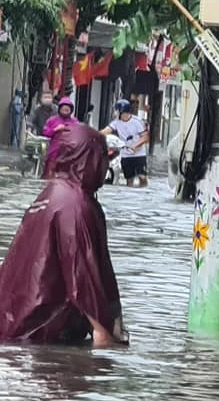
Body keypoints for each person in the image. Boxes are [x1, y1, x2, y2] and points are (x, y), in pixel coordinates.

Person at [0, 125, 127, 347]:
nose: (106, 166)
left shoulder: (52, 195)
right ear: (90, 159)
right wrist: (102, 332)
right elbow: (82, 271)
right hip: (39, 334)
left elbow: (100, 269)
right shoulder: (75, 206)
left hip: (17, 328)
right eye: (102, 157)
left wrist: (114, 319)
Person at [101, 99, 149, 187]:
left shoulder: (137, 122)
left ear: (121, 111)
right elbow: (106, 131)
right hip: (125, 155)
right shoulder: (116, 123)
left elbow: (145, 137)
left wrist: (135, 145)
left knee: (142, 177)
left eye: (116, 110)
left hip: (139, 154)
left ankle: (143, 192)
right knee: (129, 179)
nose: (115, 113)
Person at [41, 96, 80, 178]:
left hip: (68, 155)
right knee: (49, 177)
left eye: (67, 110)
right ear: (59, 109)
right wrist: (56, 130)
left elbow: (78, 136)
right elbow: (45, 132)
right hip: (54, 154)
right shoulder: (52, 120)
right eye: (63, 109)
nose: (65, 112)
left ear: (71, 111)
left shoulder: (75, 122)